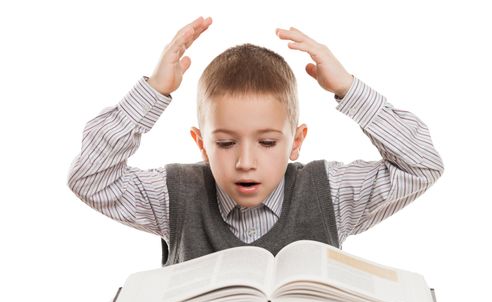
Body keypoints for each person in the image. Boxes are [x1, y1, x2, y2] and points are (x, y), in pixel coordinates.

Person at [67, 16, 444, 266]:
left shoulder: (328, 193)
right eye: (226, 144)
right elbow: (89, 179)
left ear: (296, 143)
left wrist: (347, 88)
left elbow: (422, 164)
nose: (245, 162)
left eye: (267, 143)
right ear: (201, 143)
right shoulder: (174, 195)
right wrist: (153, 92)